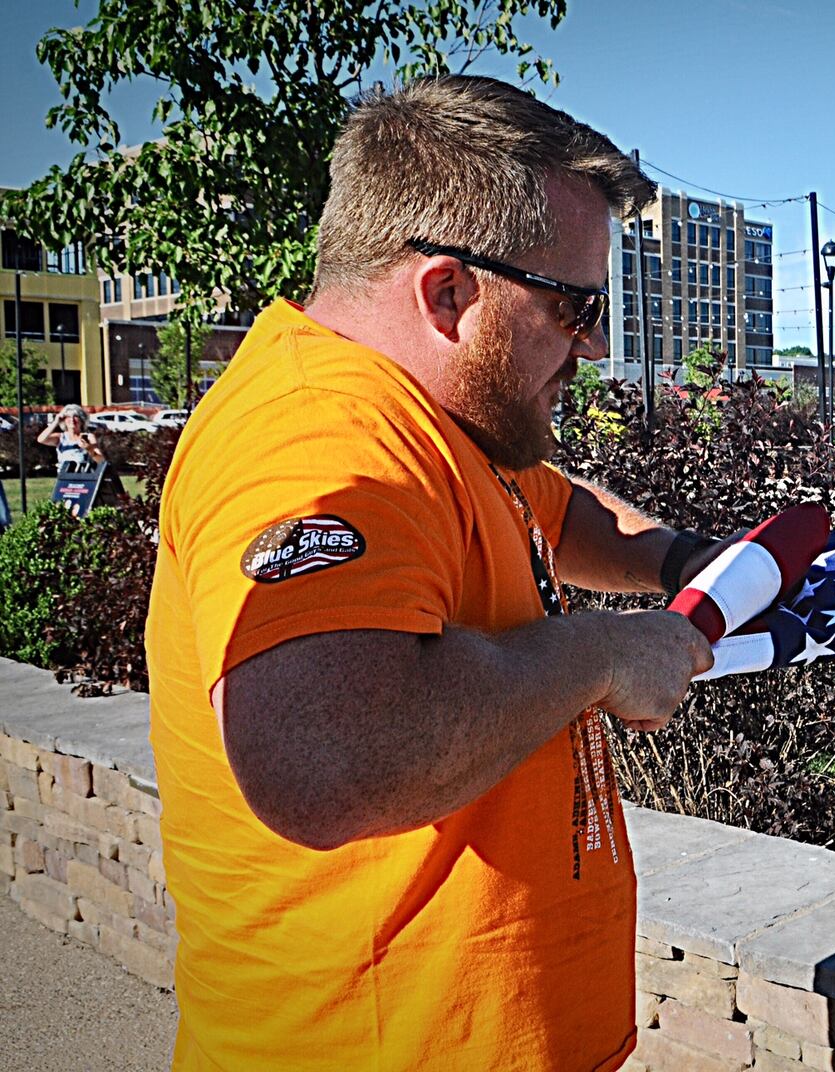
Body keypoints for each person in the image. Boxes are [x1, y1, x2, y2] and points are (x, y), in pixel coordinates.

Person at [145, 75, 732, 1071]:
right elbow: (331, 758)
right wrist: (596, 653)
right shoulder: (315, 438)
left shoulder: (437, 431)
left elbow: (559, 506)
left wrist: (684, 559)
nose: (592, 342)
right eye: (573, 304)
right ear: (447, 291)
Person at [37, 404, 105, 472]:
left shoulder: (88, 437)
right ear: (64, 420)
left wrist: (89, 449)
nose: (72, 419)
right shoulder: (61, 437)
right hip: (64, 478)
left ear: (82, 420)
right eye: (68, 417)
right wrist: (55, 422)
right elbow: (41, 439)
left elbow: (101, 460)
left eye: (75, 416)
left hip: (83, 477)